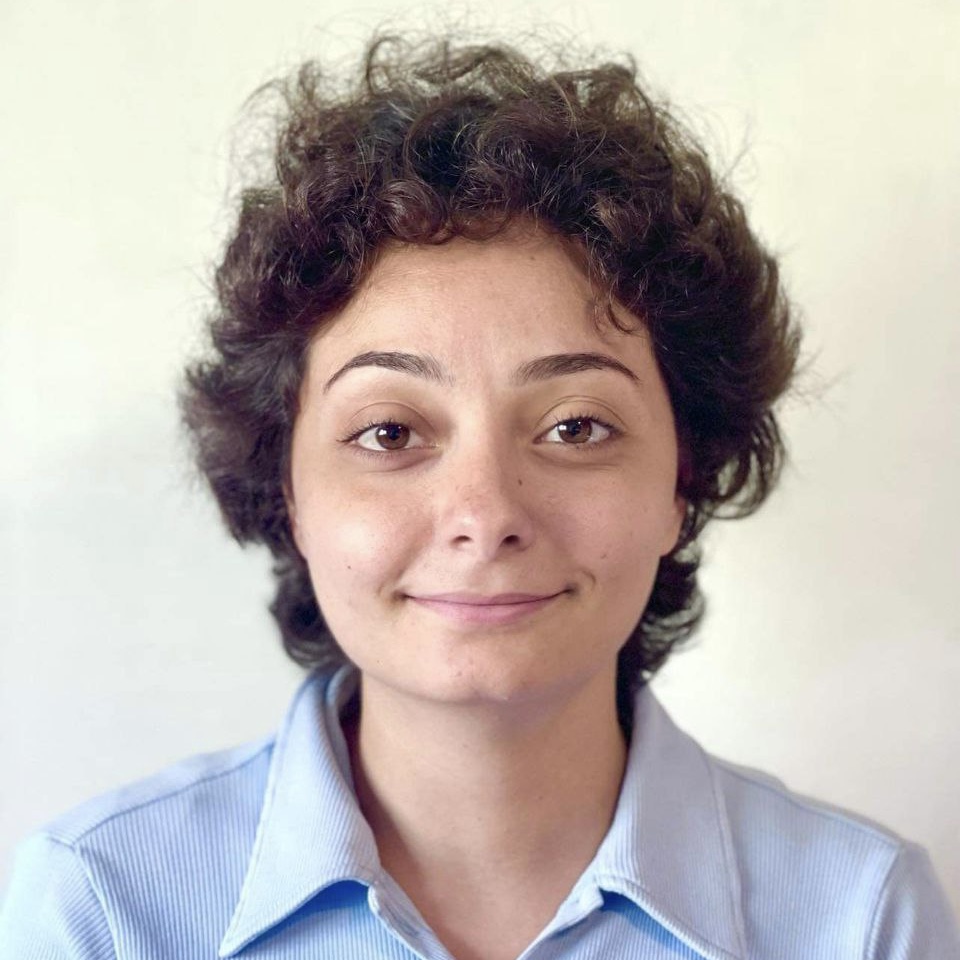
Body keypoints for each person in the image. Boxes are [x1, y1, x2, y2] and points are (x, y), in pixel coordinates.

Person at [1, 34, 957, 960]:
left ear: (684, 478)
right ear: (286, 488)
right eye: (390, 433)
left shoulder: (861, 919)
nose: (486, 513)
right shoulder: (101, 911)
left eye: (575, 427)